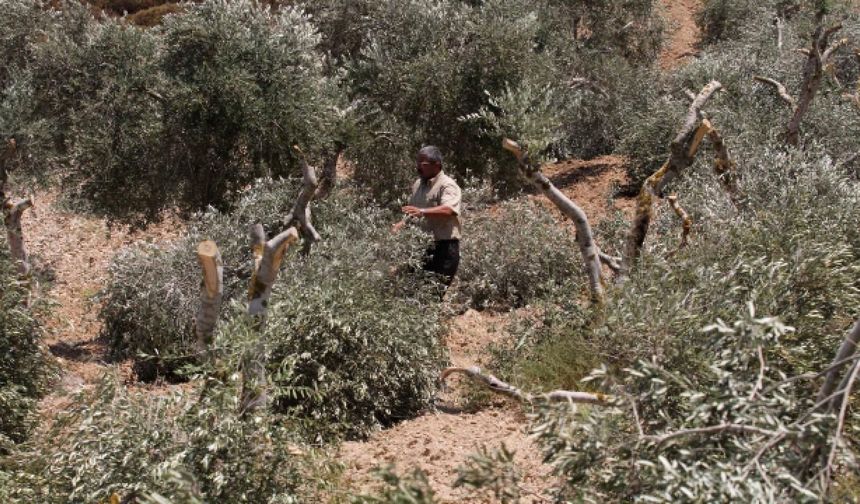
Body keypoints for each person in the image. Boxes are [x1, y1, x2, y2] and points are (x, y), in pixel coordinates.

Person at [392, 145, 462, 286]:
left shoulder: (447, 185)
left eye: (422, 164)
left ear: (437, 165)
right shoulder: (418, 184)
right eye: (417, 163)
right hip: (421, 246)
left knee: (433, 294)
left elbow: (449, 210)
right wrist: (403, 223)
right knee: (412, 289)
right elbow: (414, 211)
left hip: (444, 248)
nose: (418, 167)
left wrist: (422, 212)